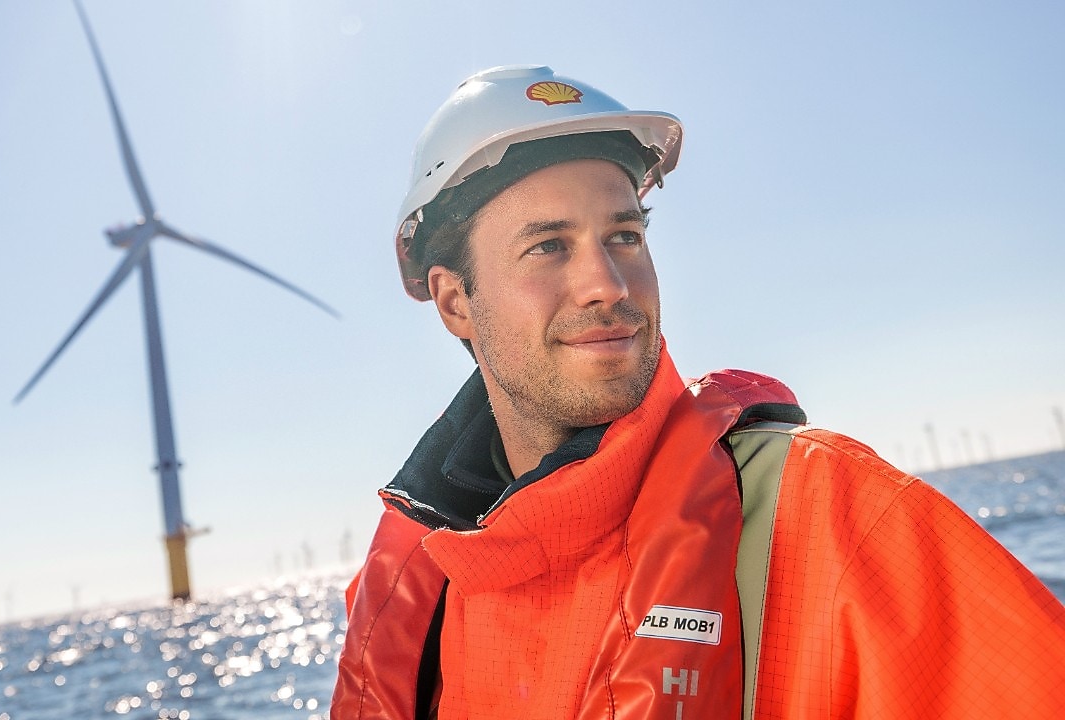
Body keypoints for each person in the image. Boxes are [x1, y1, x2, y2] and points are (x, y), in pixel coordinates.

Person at [331, 65, 1065, 719]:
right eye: (549, 246)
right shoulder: (416, 594)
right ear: (456, 301)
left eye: (624, 237)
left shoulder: (831, 513)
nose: (608, 286)